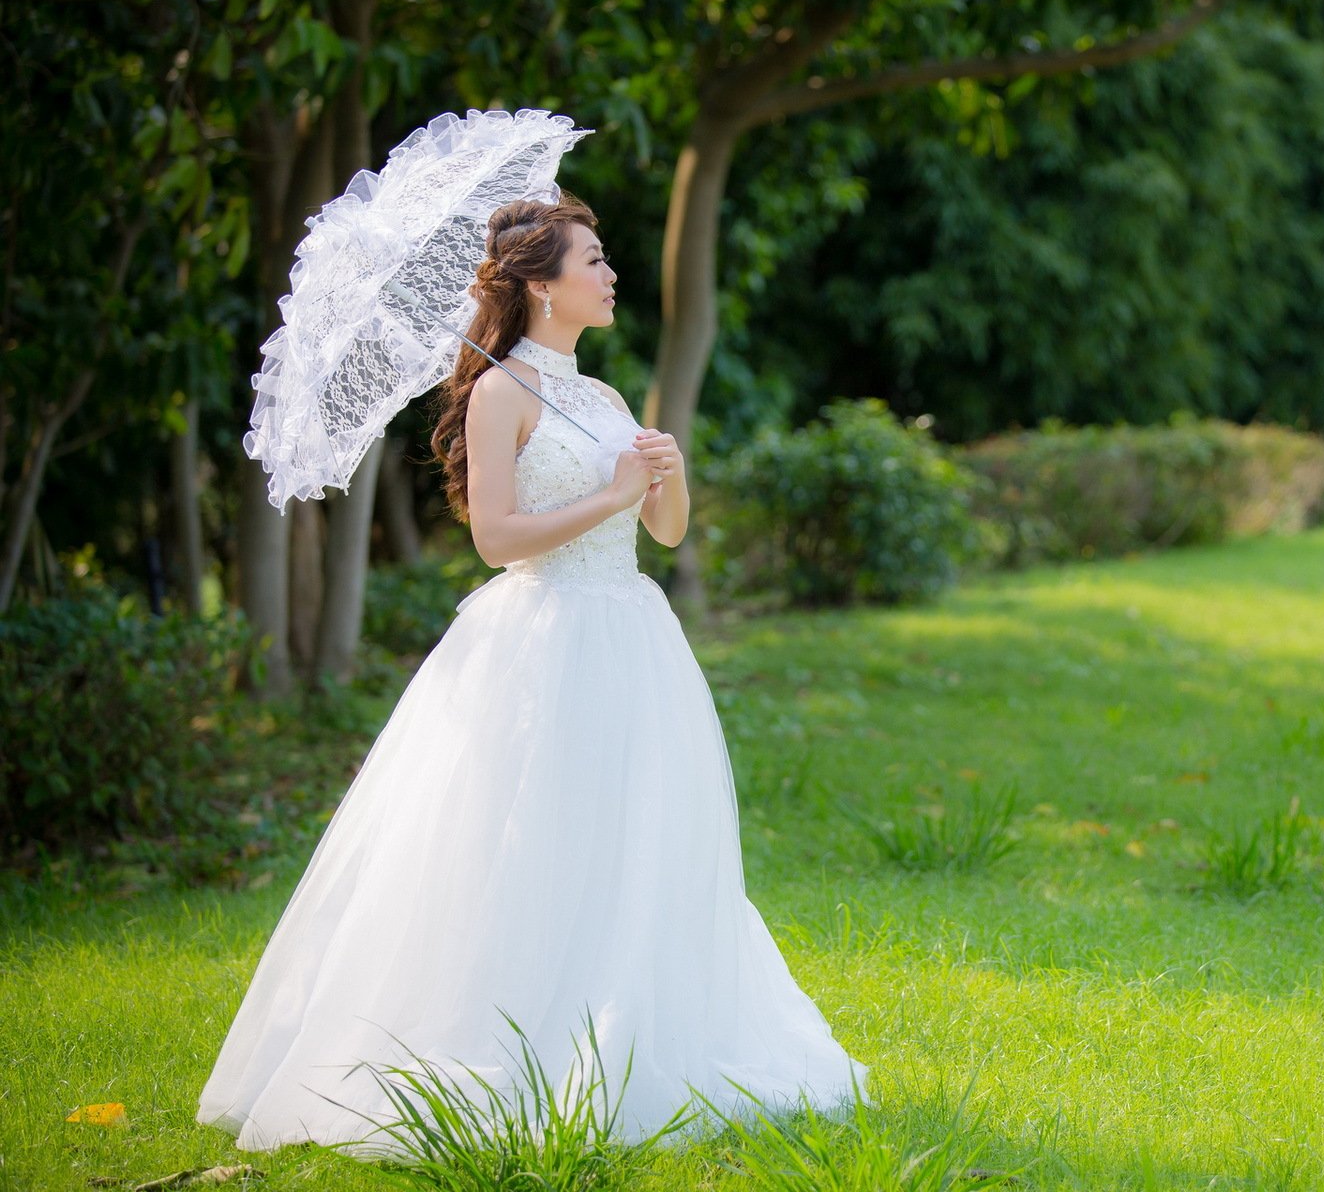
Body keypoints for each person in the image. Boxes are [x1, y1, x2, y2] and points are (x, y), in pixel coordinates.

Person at [196, 190, 868, 1154]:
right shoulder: (501, 391)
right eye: (591, 261)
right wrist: (613, 495)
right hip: (542, 640)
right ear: (542, 287)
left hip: (632, 633)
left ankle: (628, 1017)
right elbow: (496, 539)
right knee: (527, 837)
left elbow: (663, 535)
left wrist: (666, 479)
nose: (609, 274)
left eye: (603, 259)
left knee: (635, 836)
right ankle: (514, 1033)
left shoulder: (600, 396)